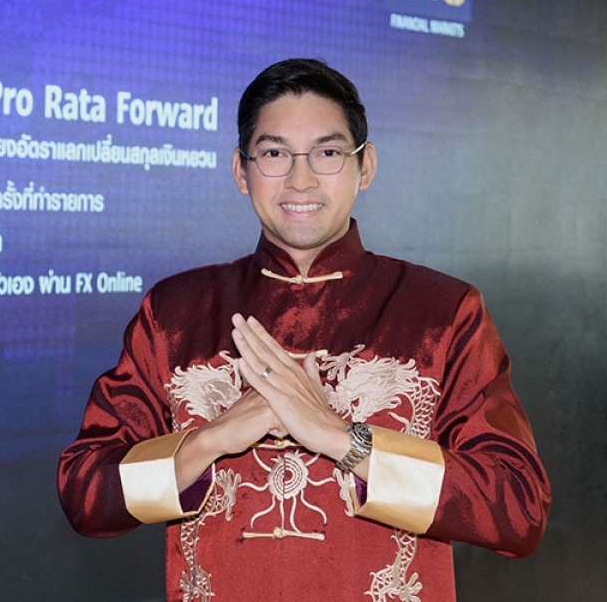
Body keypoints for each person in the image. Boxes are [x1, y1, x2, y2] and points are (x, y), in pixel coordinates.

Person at [57, 58, 551, 601]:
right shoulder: (175, 312)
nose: (301, 179)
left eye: (328, 153)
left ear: (365, 167)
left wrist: (343, 439)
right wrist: (211, 439)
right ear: (241, 171)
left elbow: (518, 509)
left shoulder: (442, 312)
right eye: (274, 154)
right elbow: (85, 493)